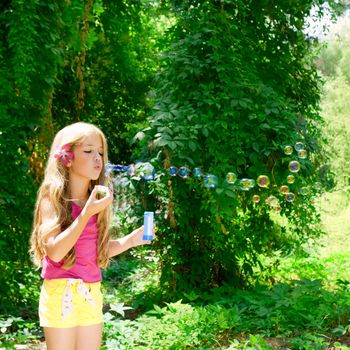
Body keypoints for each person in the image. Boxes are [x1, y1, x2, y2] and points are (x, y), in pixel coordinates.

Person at [30, 122, 154, 350]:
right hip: (60, 293)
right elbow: (55, 251)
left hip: (90, 292)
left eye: (100, 152)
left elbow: (96, 252)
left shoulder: (96, 199)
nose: (98, 157)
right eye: (88, 151)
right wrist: (87, 213)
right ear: (67, 157)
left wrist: (130, 241)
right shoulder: (53, 198)